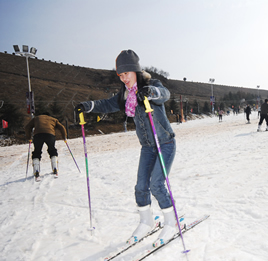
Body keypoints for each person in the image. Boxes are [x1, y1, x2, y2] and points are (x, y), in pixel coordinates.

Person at [74, 49, 177, 247]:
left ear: (135, 71)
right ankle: (146, 221)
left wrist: (152, 93)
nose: (123, 79)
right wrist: (87, 106)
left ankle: (171, 223)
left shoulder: (151, 85)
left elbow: (164, 94)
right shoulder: (125, 95)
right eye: (120, 75)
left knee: (156, 184)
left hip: (164, 143)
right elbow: (107, 104)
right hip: (147, 147)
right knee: (140, 186)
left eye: (126, 74)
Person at [24, 113, 67, 179]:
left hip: (38, 135)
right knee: (52, 149)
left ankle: (36, 170)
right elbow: (62, 127)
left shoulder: (36, 118)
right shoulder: (53, 119)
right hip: (50, 135)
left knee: (37, 151)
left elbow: (27, 127)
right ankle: (55, 168)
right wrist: (64, 137)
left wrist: (29, 137)